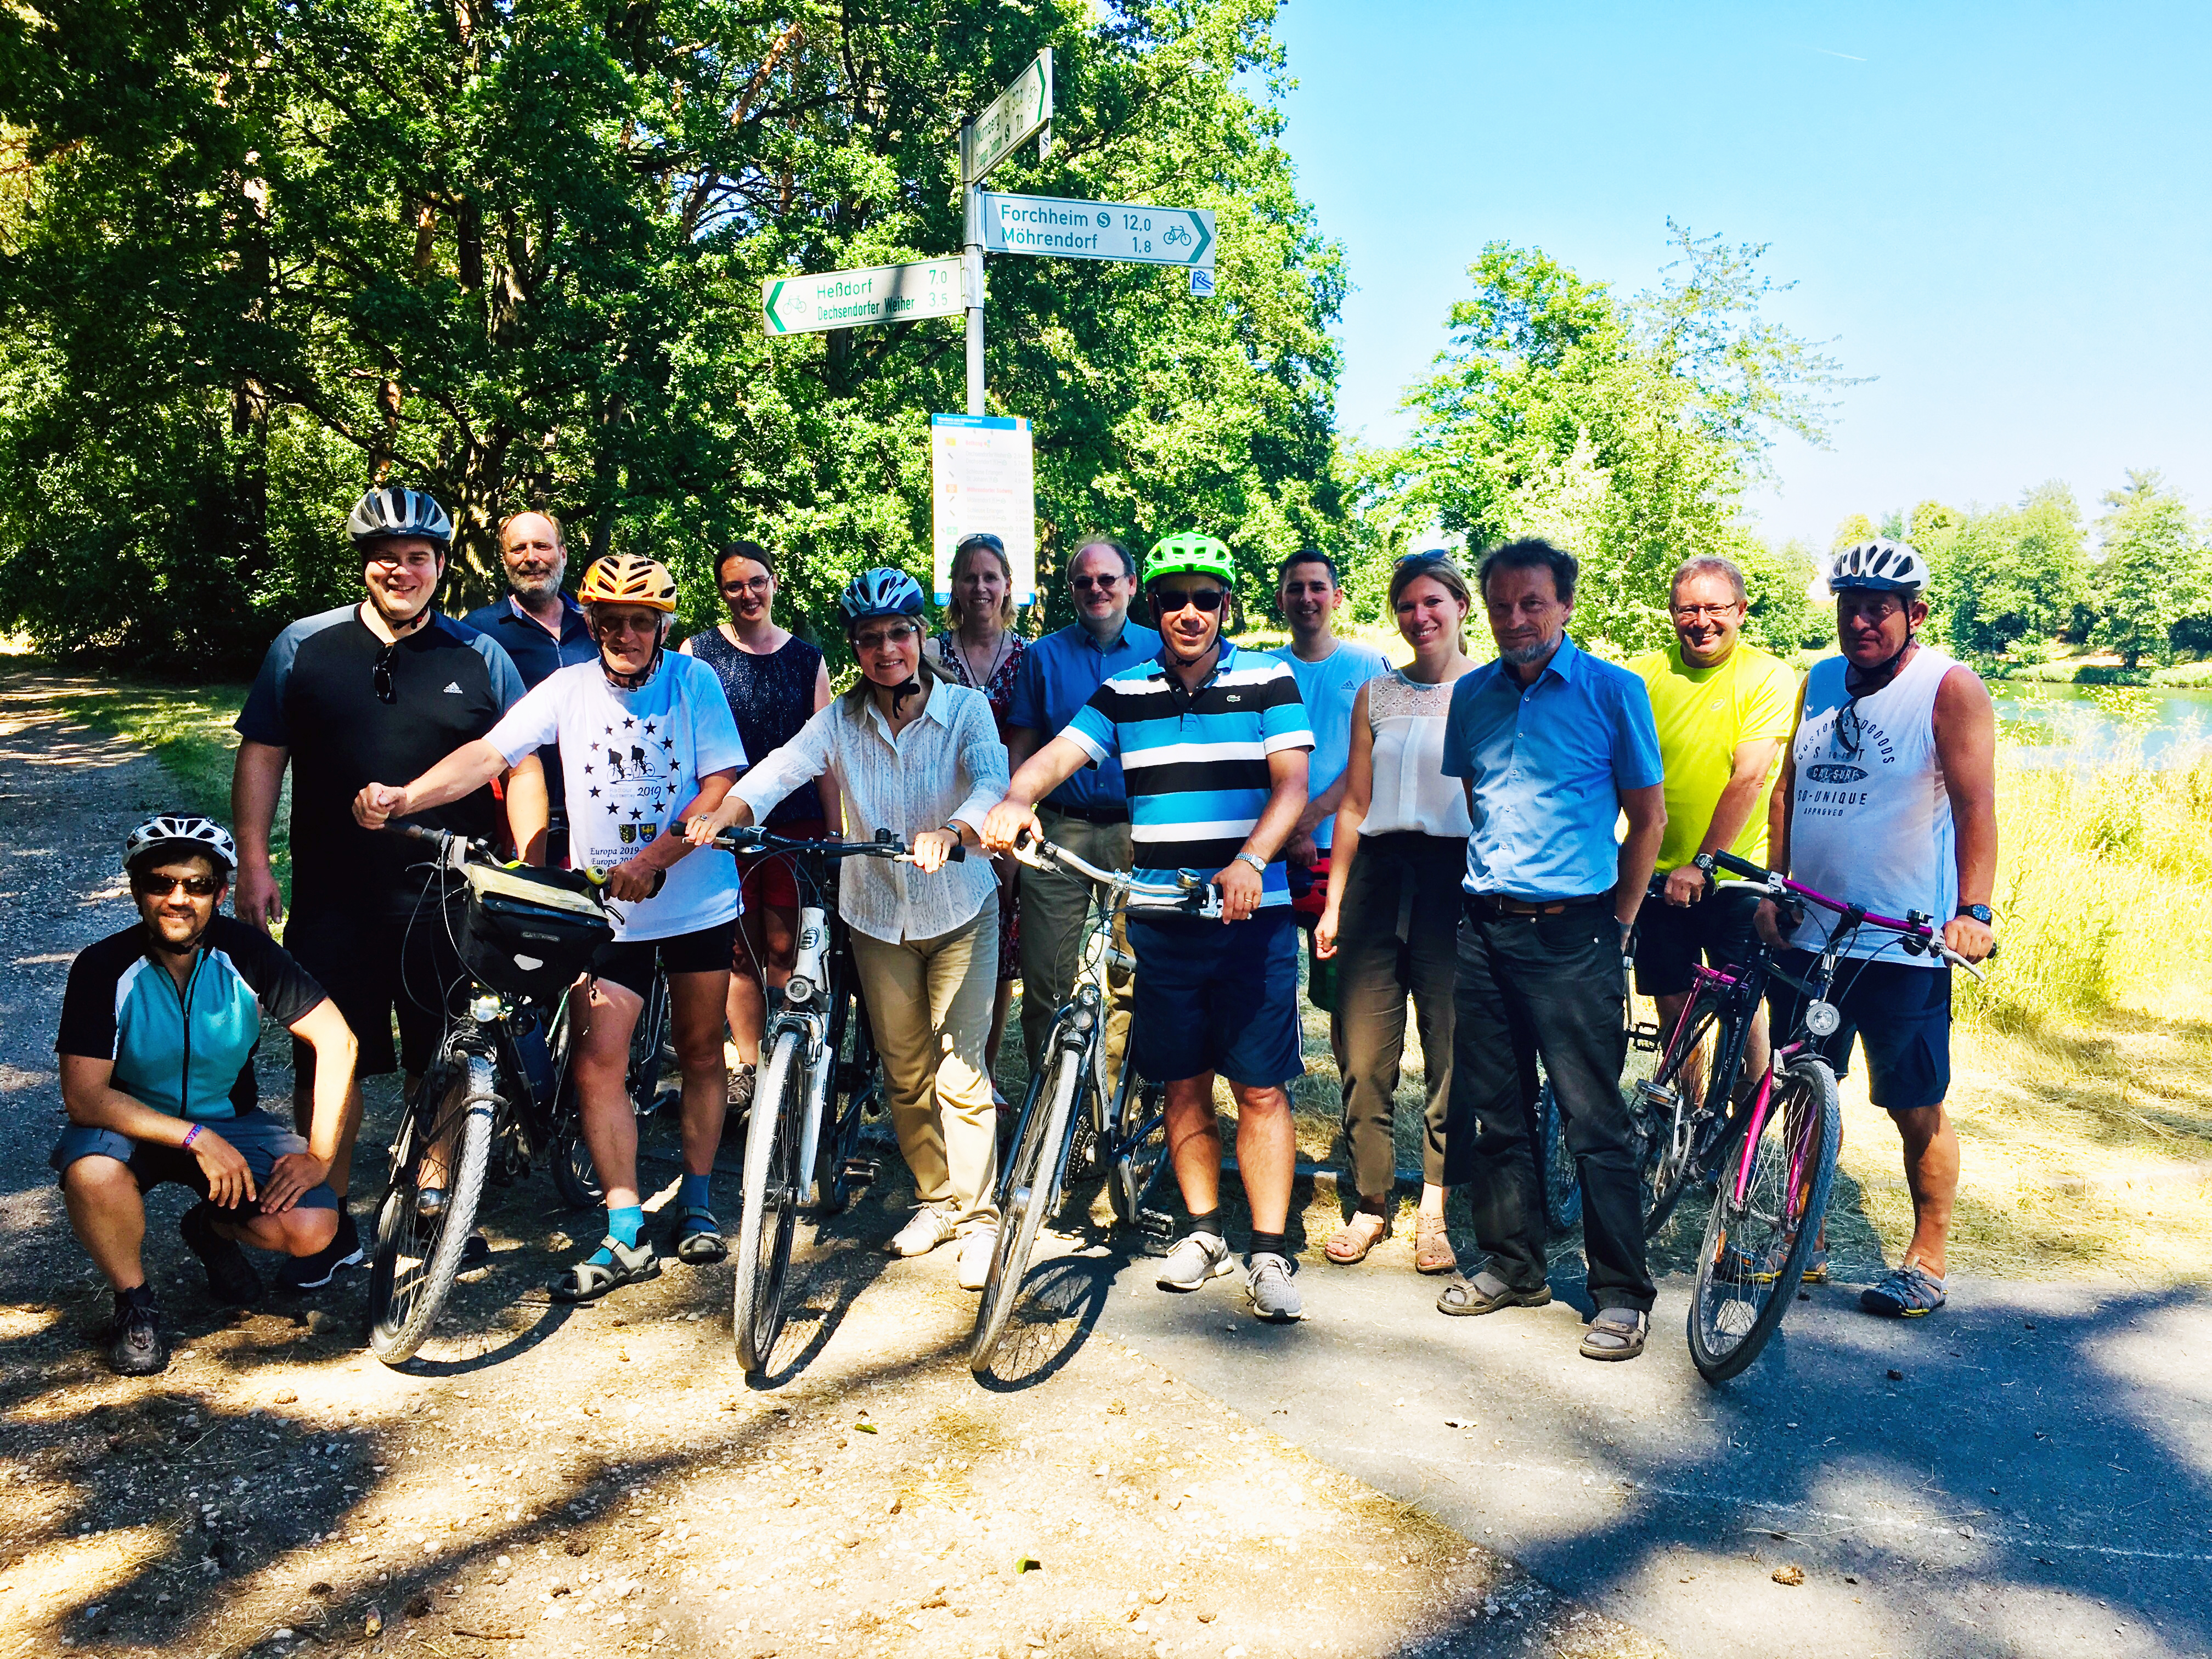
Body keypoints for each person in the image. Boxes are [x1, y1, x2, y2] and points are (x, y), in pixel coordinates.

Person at [355, 552, 746, 1302]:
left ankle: (696, 1196)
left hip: (694, 899)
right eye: (613, 621)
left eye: (642, 622)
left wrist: (660, 857)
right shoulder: (567, 686)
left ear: (663, 626)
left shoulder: (694, 681)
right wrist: (406, 798)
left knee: (700, 1051)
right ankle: (625, 1227)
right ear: (592, 622)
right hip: (611, 908)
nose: (628, 634)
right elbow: (488, 753)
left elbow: (719, 785)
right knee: (599, 1060)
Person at [984, 532, 1314, 1324]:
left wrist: (1251, 860)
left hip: (1250, 917)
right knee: (1182, 1081)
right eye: (1174, 600)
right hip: (1163, 917)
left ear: (1227, 606)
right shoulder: (1126, 689)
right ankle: (1204, 1233)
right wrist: (1014, 799)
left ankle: (1268, 1250)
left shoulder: (1269, 677)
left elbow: (1294, 784)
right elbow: (1059, 753)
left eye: (1206, 599)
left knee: (1261, 1088)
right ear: (1154, 606)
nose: (1189, 613)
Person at [232, 486, 532, 1293]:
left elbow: (522, 760)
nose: (404, 570)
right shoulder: (303, 645)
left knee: (440, 1052)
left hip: (441, 896)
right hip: (332, 894)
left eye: (420, 557)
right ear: (366, 564)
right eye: (388, 557)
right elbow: (263, 753)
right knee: (327, 1057)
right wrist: (255, 863)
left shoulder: (480, 655)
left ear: (440, 565)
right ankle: (325, 1206)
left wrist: (528, 855)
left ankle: (435, 1199)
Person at [688, 569, 1009, 1289]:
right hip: (875, 914)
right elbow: (781, 769)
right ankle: (935, 1198)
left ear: (920, 637)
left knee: (960, 1068)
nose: (886, 649)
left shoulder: (965, 709)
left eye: (899, 634)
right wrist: (728, 815)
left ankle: (981, 1217)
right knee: (904, 1068)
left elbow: (992, 781)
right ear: (857, 650)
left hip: (959, 906)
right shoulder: (841, 719)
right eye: (870, 640)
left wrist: (955, 829)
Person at [1433, 538, 1667, 1362]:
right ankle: (1514, 1263)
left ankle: (1620, 1295)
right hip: (1484, 927)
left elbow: (1649, 819)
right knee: (1495, 1109)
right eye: (1500, 606)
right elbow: (1476, 798)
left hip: (1576, 934)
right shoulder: (1473, 697)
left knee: (1593, 1118)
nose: (1515, 620)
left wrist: (1621, 922)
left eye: (1532, 603)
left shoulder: (1614, 692)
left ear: (1566, 605)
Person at [1757, 538, 1997, 1321]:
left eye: (1879, 609)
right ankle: (1804, 1234)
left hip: (1903, 939)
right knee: (1798, 1089)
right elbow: (1788, 788)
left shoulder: (1948, 687)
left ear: (1914, 614)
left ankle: (1926, 1258)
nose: (1861, 621)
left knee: (1913, 1103)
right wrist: (1775, 884)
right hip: (1811, 932)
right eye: (1849, 606)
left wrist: (1974, 912)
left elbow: (1974, 807)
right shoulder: (1821, 681)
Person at [52, 815, 358, 1374]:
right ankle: (135, 1306)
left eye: (196, 886)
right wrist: (194, 1137)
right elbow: (87, 1098)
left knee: (313, 1229)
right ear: (136, 890)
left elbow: (338, 1041)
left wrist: (318, 1156)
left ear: (219, 893)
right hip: (130, 1122)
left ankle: (209, 1228)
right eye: (160, 883)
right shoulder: (102, 968)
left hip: (230, 1119)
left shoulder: (247, 952)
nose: (178, 899)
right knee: (92, 1174)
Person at [1313, 554, 1477, 1274]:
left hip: (1458, 879)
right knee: (1365, 1054)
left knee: (1451, 1053)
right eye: (1407, 605)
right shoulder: (1376, 694)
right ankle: (1371, 1201)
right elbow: (1353, 803)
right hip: (1379, 876)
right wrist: (1334, 902)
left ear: (1462, 605)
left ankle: (1436, 1206)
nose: (1421, 616)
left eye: (1433, 601)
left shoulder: (1492, 691)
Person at [1628, 555, 1800, 1118]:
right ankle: (1687, 1117)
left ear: (1742, 611)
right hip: (1656, 872)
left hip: (1734, 873)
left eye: (1715, 608)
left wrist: (1703, 862)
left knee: (1741, 1007)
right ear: (1672, 613)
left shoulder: (1767, 674)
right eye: (1688, 609)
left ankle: (1745, 1127)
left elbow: (1750, 775)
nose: (1702, 620)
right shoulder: (1642, 676)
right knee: (1674, 1003)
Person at [681, 540, 837, 1115]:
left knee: (783, 945)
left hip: (794, 824)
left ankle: (787, 1058)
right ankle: (747, 1062)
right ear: (721, 591)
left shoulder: (807, 659)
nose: (747, 594)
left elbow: (826, 752)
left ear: (774, 584)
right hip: (722, 826)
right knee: (738, 949)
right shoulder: (697, 654)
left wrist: (836, 828)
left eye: (757, 582)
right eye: (734, 585)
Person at [1003, 539, 1160, 1087]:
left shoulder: (1162, 649)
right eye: (1084, 582)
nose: (1096, 589)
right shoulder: (1042, 656)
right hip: (1061, 830)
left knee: (1130, 973)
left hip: (1137, 831)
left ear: (1132, 585)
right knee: (1046, 978)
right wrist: (1017, 807)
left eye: (1108, 579)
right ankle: (1050, 1103)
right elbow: (1021, 745)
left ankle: (1112, 1098)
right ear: (1070, 590)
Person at [924, 532, 1029, 1094]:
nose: (981, 587)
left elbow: (1034, 744)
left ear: (1008, 586)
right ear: (955, 587)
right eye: (970, 577)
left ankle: (982, 1076)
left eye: (991, 577)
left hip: (1008, 822)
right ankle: (938, 1075)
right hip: (944, 819)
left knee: (998, 961)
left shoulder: (1029, 658)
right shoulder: (930, 653)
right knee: (942, 947)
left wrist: (1009, 838)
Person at [461, 511, 597, 865]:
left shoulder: (597, 623)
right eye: (518, 548)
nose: (531, 558)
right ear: (504, 559)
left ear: (563, 554)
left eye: (542, 546)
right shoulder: (478, 633)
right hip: (512, 816)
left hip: (601, 811)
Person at [1269, 550, 1389, 875]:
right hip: (1274, 841)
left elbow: (1380, 753)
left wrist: (1312, 816)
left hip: (1349, 837)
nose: (1306, 598)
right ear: (1281, 599)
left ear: (1336, 597)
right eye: (1295, 589)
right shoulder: (1263, 669)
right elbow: (1254, 753)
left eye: (1317, 587)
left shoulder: (1370, 665)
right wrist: (1292, 829)